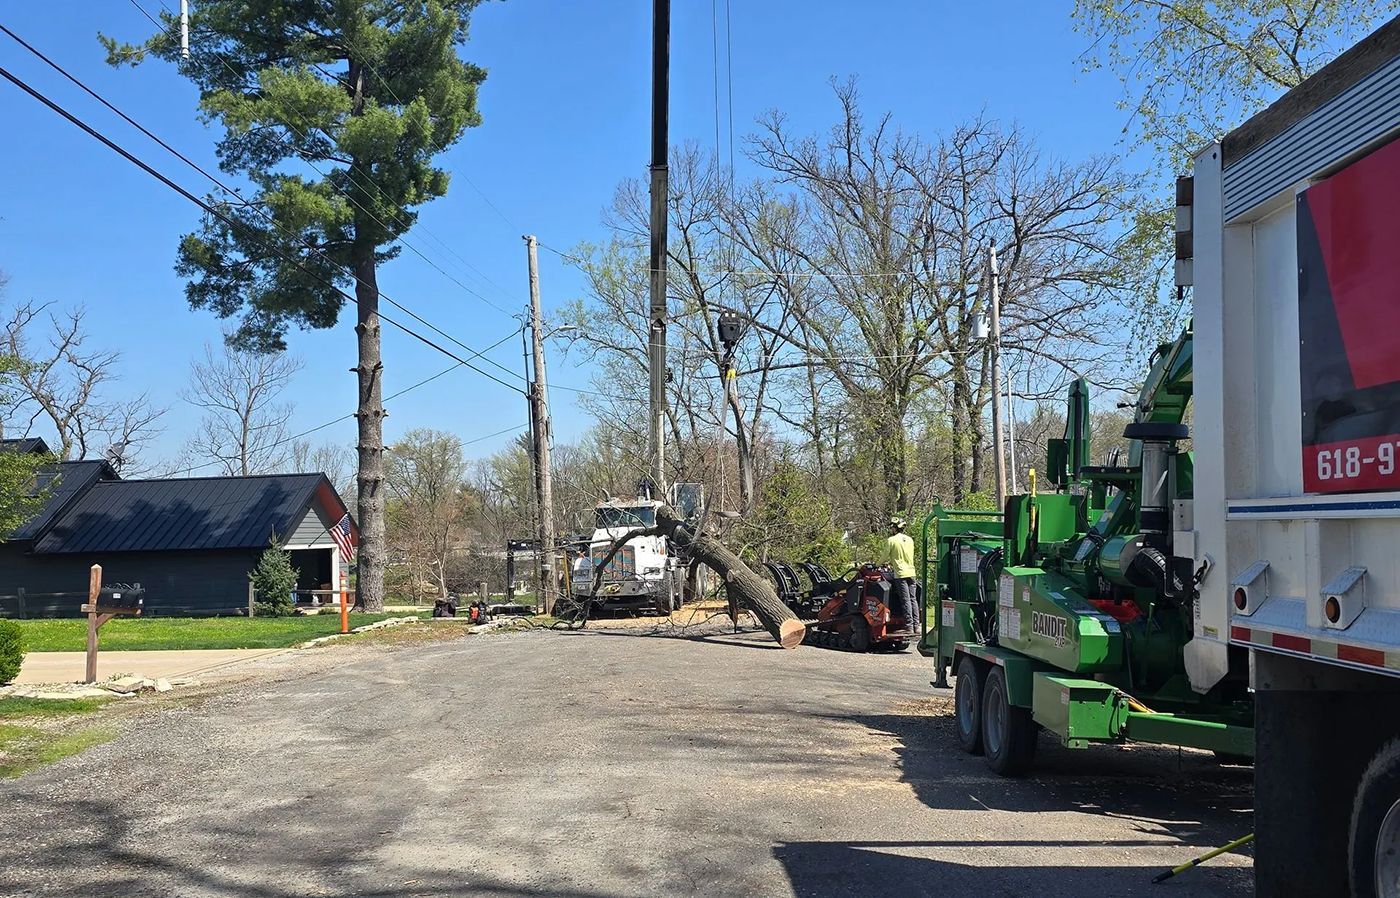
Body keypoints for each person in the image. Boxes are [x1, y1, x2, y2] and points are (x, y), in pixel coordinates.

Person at [880, 516, 918, 635]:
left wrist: (877, 564)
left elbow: (885, 556)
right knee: (913, 599)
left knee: (905, 600)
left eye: (892, 527)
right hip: (912, 572)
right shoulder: (910, 540)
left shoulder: (891, 540)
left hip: (900, 574)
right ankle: (917, 626)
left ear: (895, 528)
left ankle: (909, 626)